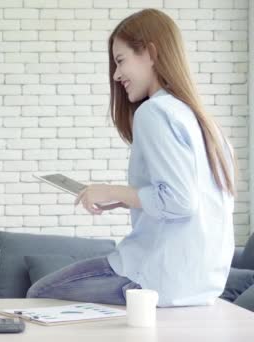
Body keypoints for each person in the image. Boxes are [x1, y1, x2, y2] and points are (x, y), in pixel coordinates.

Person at [27, 9, 236, 307]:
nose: (116, 75)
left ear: (150, 52)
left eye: (121, 60)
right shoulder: (204, 123)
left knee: (38, 296)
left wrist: (109, 190)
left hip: (153, 277)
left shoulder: (155, 112)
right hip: (200, 285)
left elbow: (180, 200)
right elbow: (197, 200)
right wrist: (127, 199)